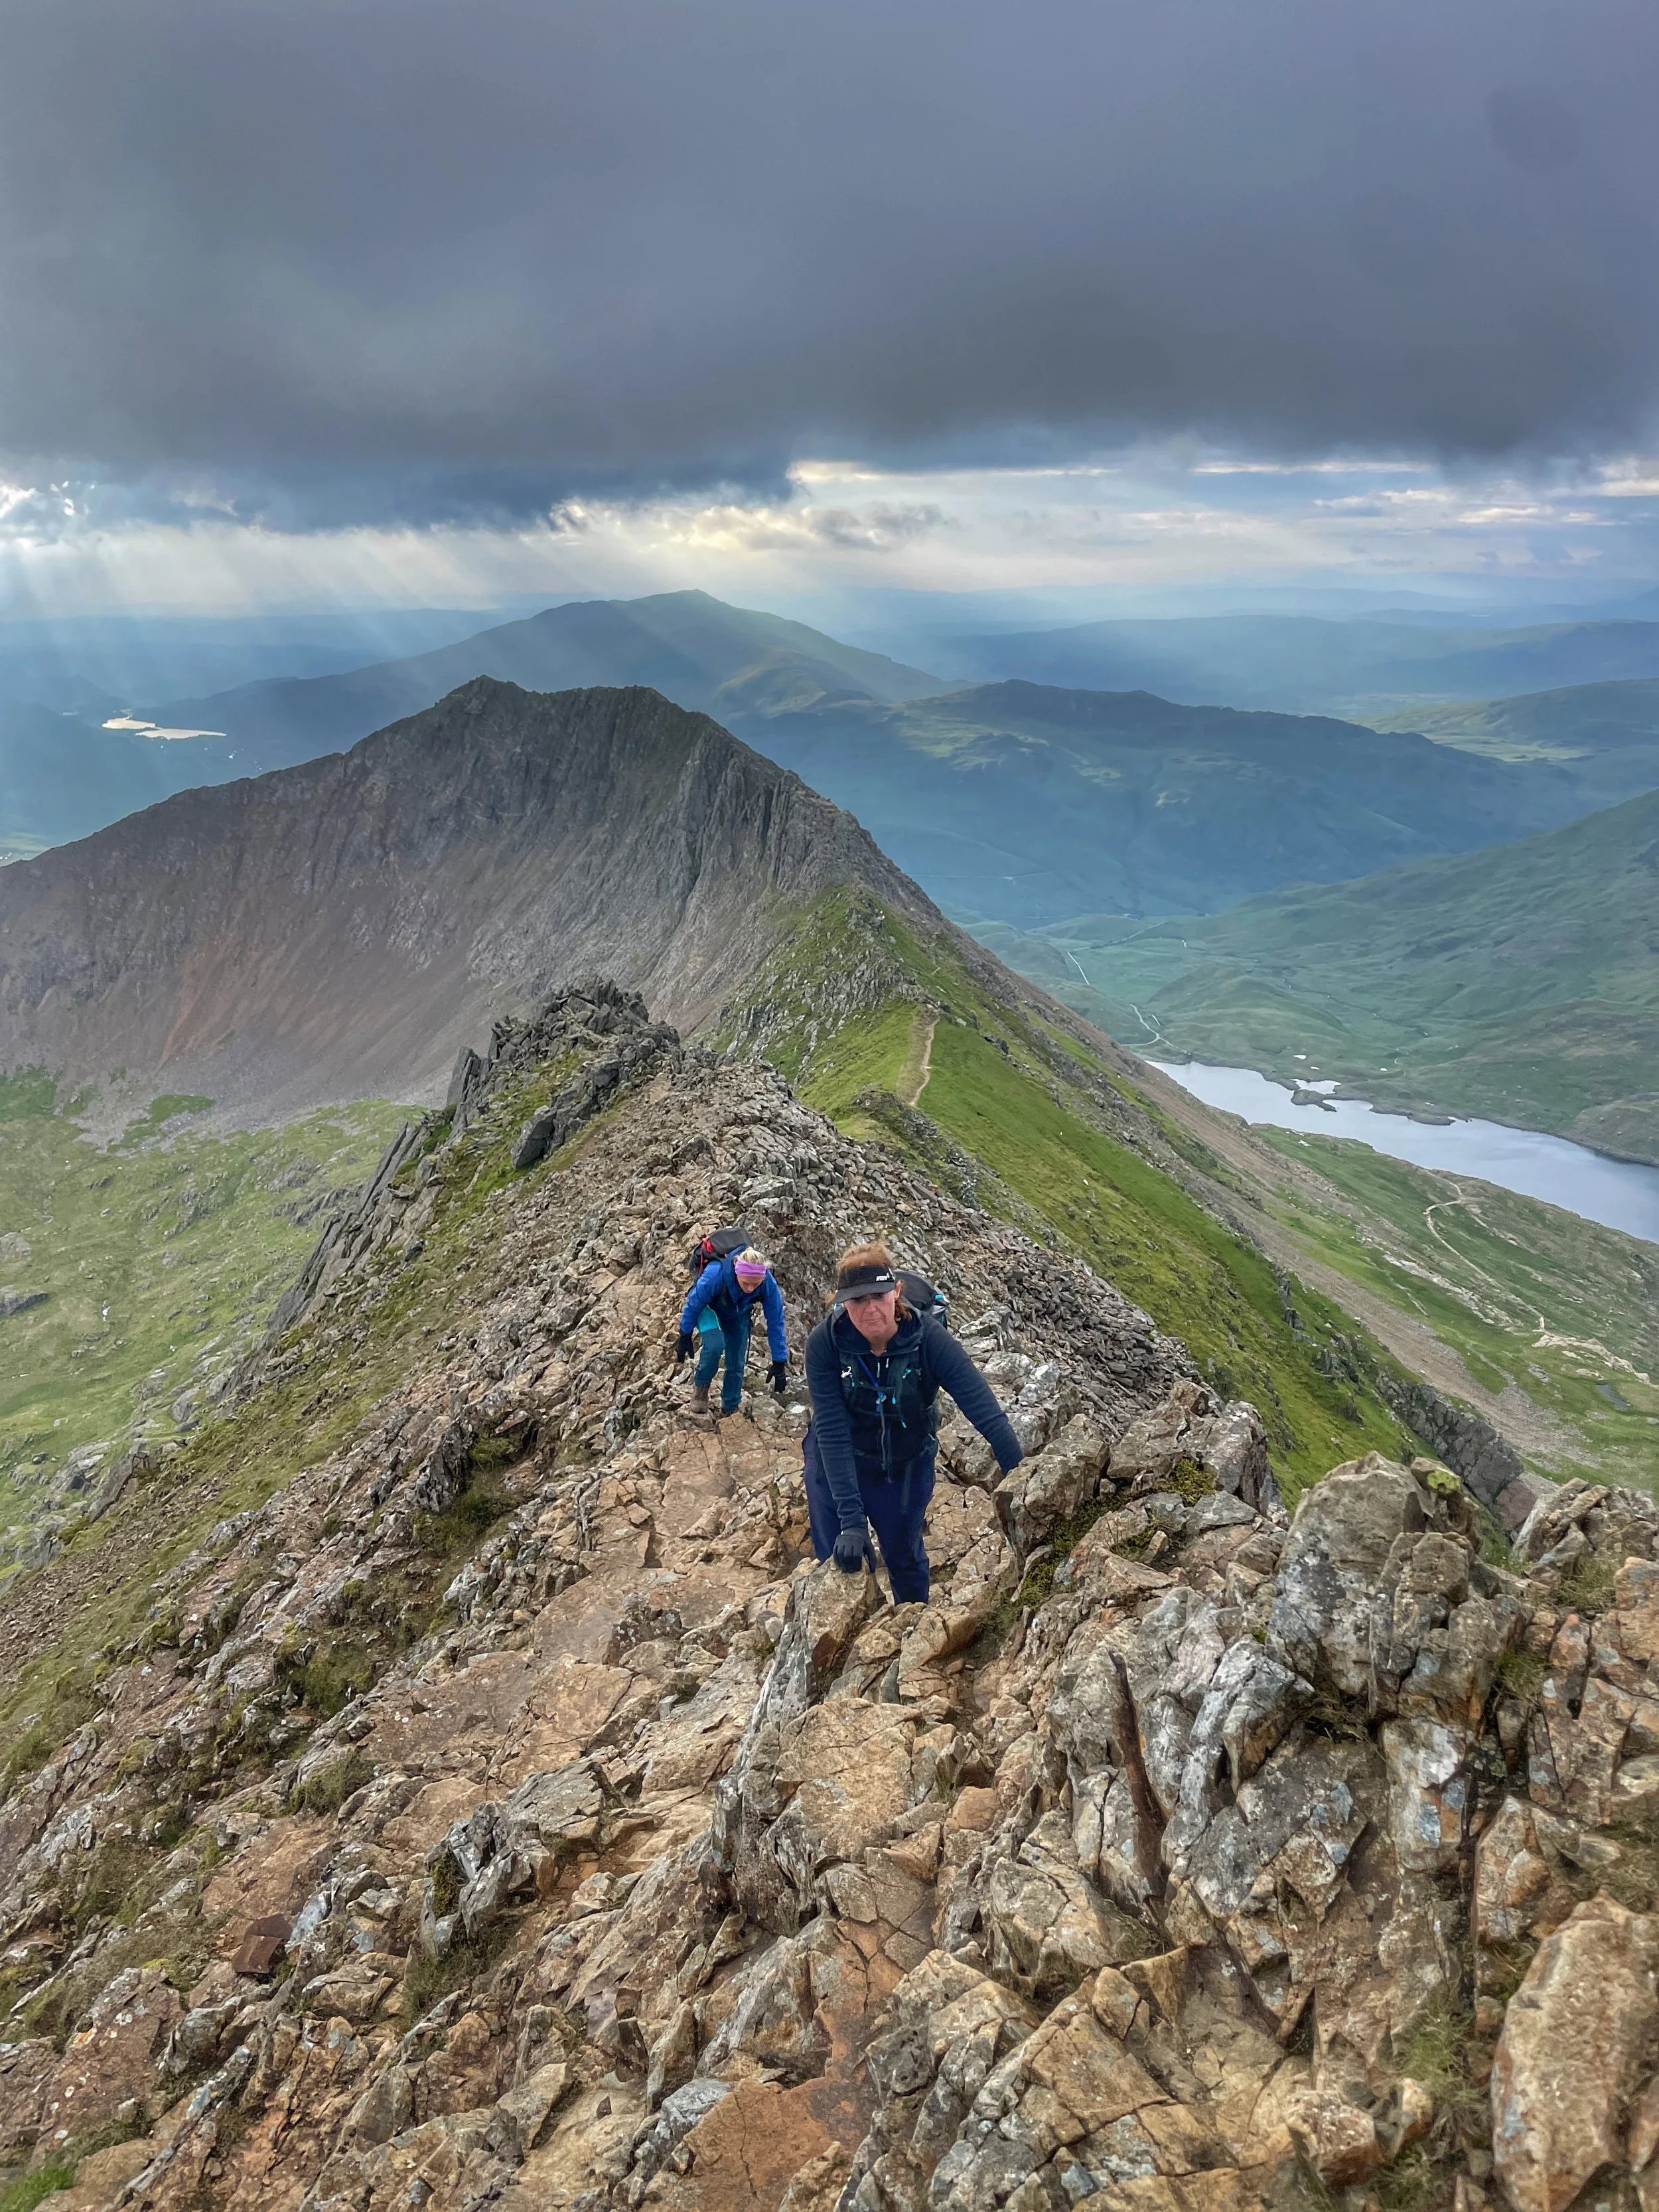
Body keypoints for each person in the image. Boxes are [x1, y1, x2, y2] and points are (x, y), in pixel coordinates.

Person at [804, 1242, 1023, 1603]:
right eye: (858, 1300)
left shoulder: (929, 1339)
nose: (870, 1308)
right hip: (838, 1460)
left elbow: (983, 1408)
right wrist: (853, 1521)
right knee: (840, 1557)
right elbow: (831, 1429)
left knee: (903, 1555)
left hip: (905, 1461)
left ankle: (912, 1626)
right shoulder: (825, 1344)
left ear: (897, 1292)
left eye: (879, 1295)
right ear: (843, 1303)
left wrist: (1022, 1480)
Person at [676, 1244, 788, 1417]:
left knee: (736, 1360)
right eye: (746, 1283)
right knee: (715, 1345)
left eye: (755, 1285)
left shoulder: (767, 1283)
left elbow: (776, 1320)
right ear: (736, 1272)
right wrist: (685, 1333)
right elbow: (694, 1302)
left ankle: (730, 1407)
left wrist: (779, 1361)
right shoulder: (715, 1274)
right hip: (709, 1309)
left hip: (737, 1312)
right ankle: (701, 1388)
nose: (751, 1289)